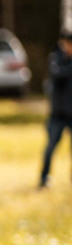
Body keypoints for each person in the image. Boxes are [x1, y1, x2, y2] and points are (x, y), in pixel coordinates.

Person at [40, 31, 72, 188]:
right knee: (50, 147)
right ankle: (44, 178)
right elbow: (57, 74)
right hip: (58, 113)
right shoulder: (56, 59)